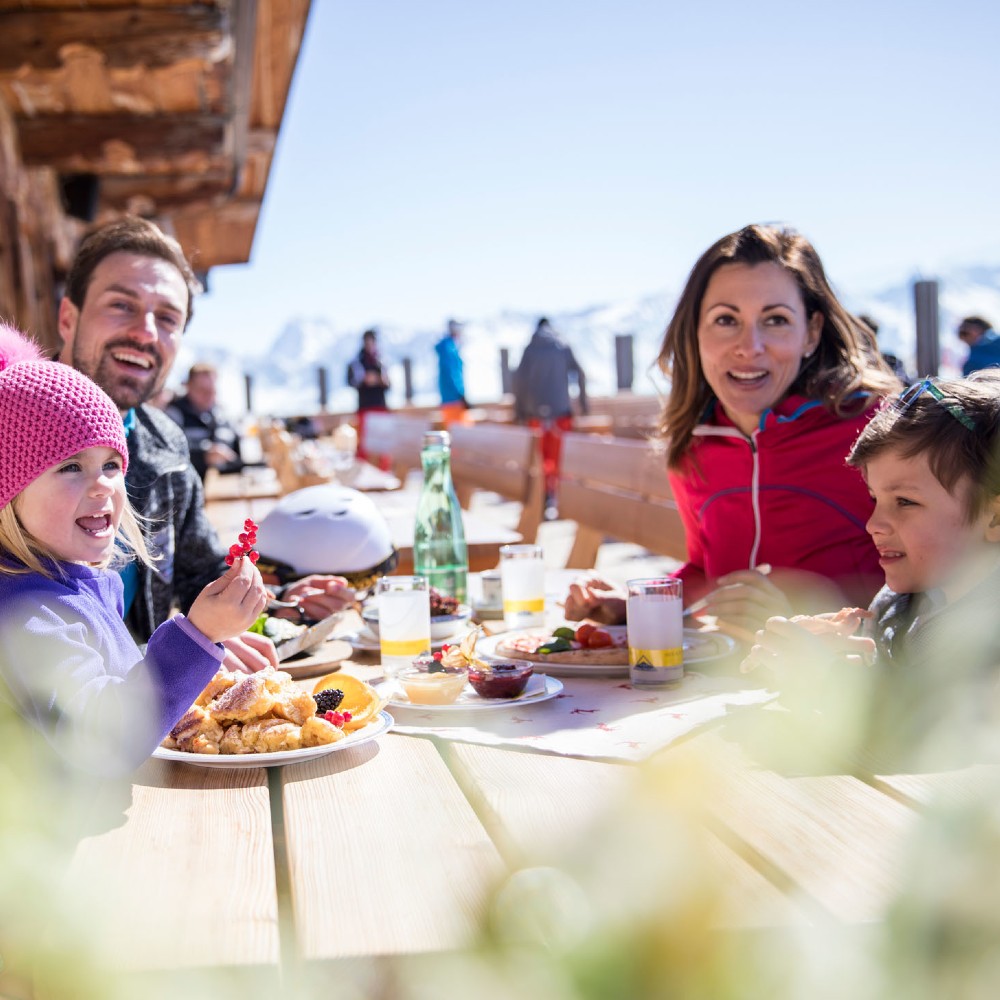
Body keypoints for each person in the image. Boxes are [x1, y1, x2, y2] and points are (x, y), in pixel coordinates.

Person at [565, 223, 901, 636]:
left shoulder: (877, 432)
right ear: (695, 332)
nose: (749, 346)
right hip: (723, 677)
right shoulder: (694, 446)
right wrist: (645, 604)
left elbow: (931, 590)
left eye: (775, 319)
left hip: (845, 684)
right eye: (726, 320)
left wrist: (803, 617)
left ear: (811, 332)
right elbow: (709, 570)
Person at [55, 217, 354, 671]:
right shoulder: (11, 437)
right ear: (67, 317)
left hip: (146, 722)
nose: (146, 332)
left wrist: (275, 605)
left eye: (168, 318)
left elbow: (199, 580)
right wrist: (182, 649)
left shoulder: (164, 443)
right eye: (121, 304)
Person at [0, 322, 269, 775]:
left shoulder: (71, 586)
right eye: (70, 466)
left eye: (110, 464)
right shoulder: (27, 616)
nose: (102, 484)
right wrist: (198, 636)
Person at [743, 372, 1000, 766]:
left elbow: (937, 758)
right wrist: (837, 652)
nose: (874, 524)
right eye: (874, 499)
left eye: (905, 502)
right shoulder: (901, 600)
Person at [512, 317, 589, 518]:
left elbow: (518, 382)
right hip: (561, 413)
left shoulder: (529, 350)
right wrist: (583, 405)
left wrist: (519, 412)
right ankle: (562, 500)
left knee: (540, 460)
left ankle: (544, 499)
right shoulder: (562, 345)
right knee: (561, 458)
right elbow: (580, 374)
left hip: (535, 415)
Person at [165, 362, 244, 481]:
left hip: (224, 486)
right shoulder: (173, 414)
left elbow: (238, 450)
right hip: (188, 488)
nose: (208, 395)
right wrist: (203, 457)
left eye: (211, 390)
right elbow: (168, 455)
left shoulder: (221, 414)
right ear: (188, 386)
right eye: (202, 390)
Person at [347, 328, 390, 464]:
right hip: (365, 406)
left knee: (384, 442)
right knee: (364, 443)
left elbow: (389, 385)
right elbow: (350, 381)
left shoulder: (381, 361)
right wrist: (364, 380)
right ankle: (361, 473)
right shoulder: (357, 362)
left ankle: (384, 472)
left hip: (380, 405)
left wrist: (380, 380)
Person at [858, 314, 911, 385]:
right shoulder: (853, 364)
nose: (866, 342)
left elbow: (905, 385)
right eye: (863, 336)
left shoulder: (892, 361)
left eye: (869, 337)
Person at [436, 319, 469, 426]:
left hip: (449, 398)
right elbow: (452, 373)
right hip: (453, 400)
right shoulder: (449, 348)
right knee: (460, 431)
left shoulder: (450, 346)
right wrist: (460, 394)